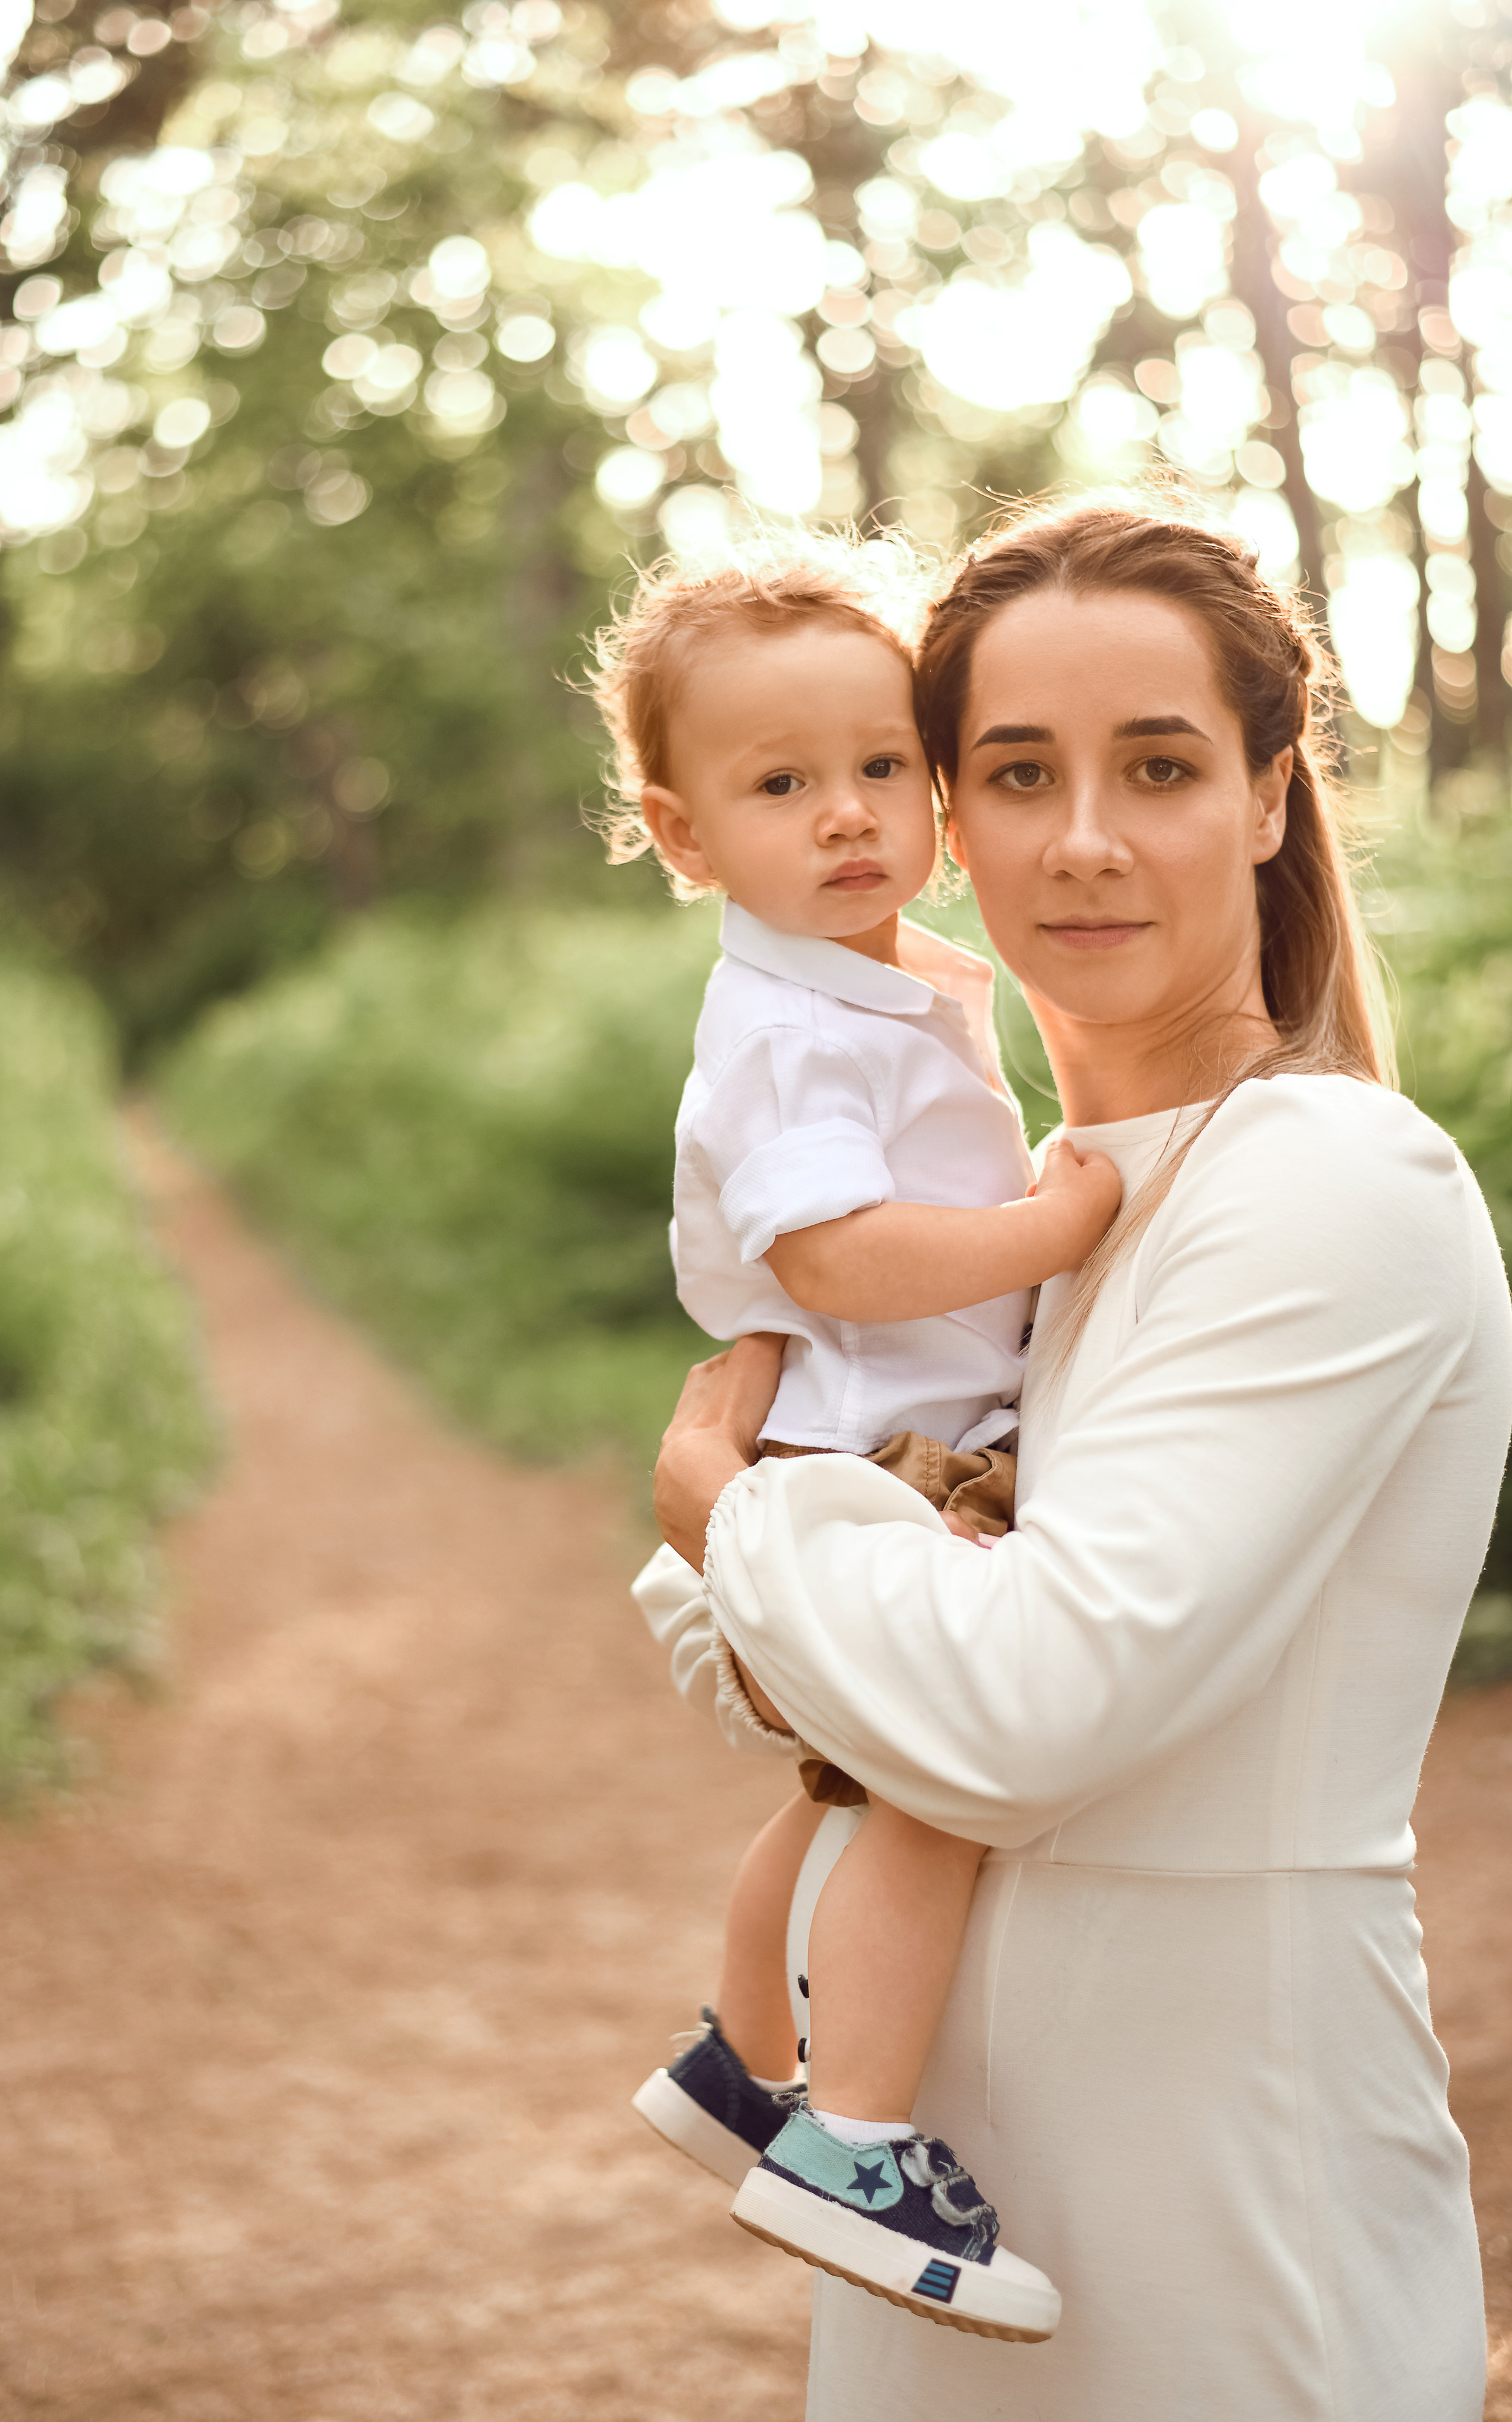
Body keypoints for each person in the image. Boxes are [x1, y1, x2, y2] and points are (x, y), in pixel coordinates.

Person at [641, 500, 1512, 2421]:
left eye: (1164, 767)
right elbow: (797, 1688)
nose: (1087, 839)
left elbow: (1026, 1706)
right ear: (942, 811)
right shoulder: (1018, 1221)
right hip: (945, 2184)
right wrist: (787, 1563)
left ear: (1273, 801)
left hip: (1222, 2189)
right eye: (1018, 773)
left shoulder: (1325, 1178)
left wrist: (737, 1509)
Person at [592, 534, 1120, 2339]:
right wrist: (1055, 1229)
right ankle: (853, 2140)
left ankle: (747, 2066)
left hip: (859, 1442)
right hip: (880, 1460)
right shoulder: (793, 1031)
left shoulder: (875, 975)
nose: (847, 817)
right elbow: (836, 1254)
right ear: (682, 835)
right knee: (934, 1792)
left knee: (841, 1791)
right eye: (783, 784)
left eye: (882, 766)